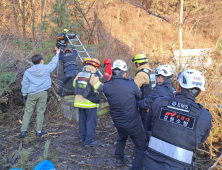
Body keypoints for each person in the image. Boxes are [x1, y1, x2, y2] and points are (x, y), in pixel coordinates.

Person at [143, 69, 212, 170]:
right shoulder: (204, 116)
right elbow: (200, 140)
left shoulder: (159, 103)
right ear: (200, 91)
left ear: (179, 86)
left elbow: (148, 127)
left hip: (150, 163)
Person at [104, 59, 146, 170]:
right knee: (141, 146)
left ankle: (118, 159)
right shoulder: (131, 84)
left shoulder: (107, 86)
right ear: (123, 72)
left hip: (118, 122)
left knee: (122, 137)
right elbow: (139, 96)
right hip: (133, 122)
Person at [18, 49, 60, 138]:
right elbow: (53, 64)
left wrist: (24, 94)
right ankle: (39, 131)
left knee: (28, 112)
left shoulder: (28, 71)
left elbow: (24, 84)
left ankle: (23, 132)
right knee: (40, 112)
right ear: (41, 61)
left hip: (31, 94)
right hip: (42, 93)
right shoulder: (46, 68)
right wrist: (57, 55)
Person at [73, 58, 103, 147]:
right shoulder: (94, 76)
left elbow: (74, 84)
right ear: (96, 67)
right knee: (91, 122)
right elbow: (98, 88)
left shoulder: (80, 73)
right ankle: (88, 141)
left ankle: (82, 138)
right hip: (90, 103)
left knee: (82, 121)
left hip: (79, 103)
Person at [132, 54, 154, 128]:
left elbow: (132, 88)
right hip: (151, 102)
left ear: (138, 64)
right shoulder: (151, 71)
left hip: (144, 104)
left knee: (144, 126)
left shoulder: (141, 74)